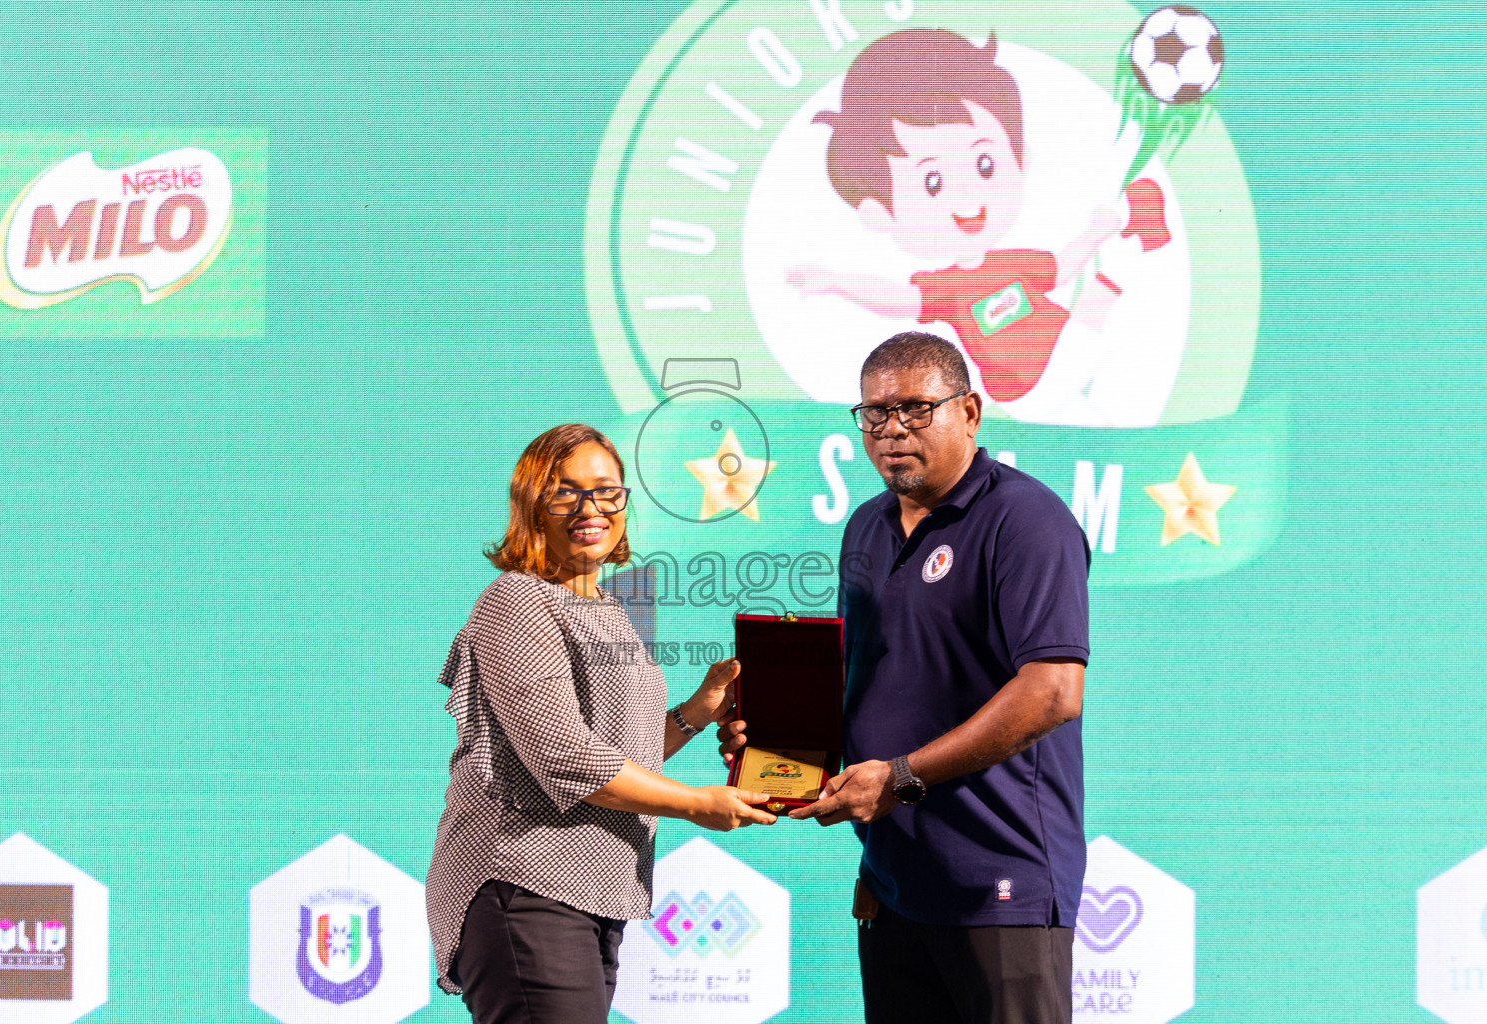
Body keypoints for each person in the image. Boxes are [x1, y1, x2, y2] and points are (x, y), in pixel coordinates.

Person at [720, 333, 1091, 1023]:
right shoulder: (866, 526)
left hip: (999, 884)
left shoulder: (1026, 520)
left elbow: (1053, 693)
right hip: (895, 891)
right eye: (875, 414)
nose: (893, 430)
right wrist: (772, 747)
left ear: (971, 412)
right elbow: (871, 685)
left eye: (917, 409)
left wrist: (898, 778)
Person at [427, 423, 776, 1023]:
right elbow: (567, 759)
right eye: (567, 492)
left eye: (608, 492)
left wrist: (698, 710)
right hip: (525, 881)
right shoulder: (516, 601)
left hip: (591, 890)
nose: (591, 509)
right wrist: (697, 804)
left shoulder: (604, 605)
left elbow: (617, 752)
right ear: (532, 506)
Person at [786, 28, 1170, 423]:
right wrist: (838, 282)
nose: (967, 195)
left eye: (984, 164)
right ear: (880, 214)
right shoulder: (946, 288)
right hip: (1027, 386)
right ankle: (1136, 234)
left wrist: (1096, 230)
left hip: (1066, 351)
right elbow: (896, 298)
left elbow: (1058, 268)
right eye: (932, 182)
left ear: (1021, 159)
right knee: (1099, 303)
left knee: (1092, 341)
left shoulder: (1010, 261)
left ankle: (1132, 233)